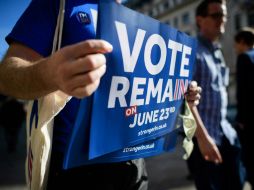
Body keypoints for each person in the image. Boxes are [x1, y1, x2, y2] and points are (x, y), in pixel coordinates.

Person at [0, 0, 201, 189]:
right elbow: (6, 76)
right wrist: (50, 74)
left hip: (134, 163)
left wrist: (178, 93)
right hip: (77, 169)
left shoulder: (132, 18)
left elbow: (142, 88)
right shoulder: (60, 4)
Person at [186, 0, 246, 189]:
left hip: (227, 137)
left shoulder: (217, 52)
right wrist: (203, 139)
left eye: (224, 15)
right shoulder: (192, 51)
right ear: (199, 20)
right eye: (216, 15)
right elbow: (184, 101)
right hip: (205, 143)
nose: (223, 20)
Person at [234, 28, 254, 189]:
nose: (235, 48)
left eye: (236, 44)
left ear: (241, 42)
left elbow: (243, 93)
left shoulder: (244, 58)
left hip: (249, 122)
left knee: (248, 162)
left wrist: (241, 119)